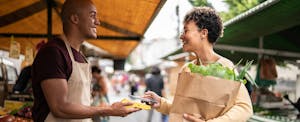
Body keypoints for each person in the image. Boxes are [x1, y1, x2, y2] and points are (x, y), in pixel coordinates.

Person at [31, 0, 139, 121]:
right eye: (92, 16)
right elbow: (59, 107)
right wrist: (109, 110)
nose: (97, 22)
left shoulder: (81, 56)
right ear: (75, 19)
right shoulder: (53, 52)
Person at [144, 7, 253, 122]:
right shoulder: (186, 69)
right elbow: (182, 111)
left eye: (186, 31)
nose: (181, 36)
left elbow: (244, 108)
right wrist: (161, 103)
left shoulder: (225, 67)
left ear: (203, 33)